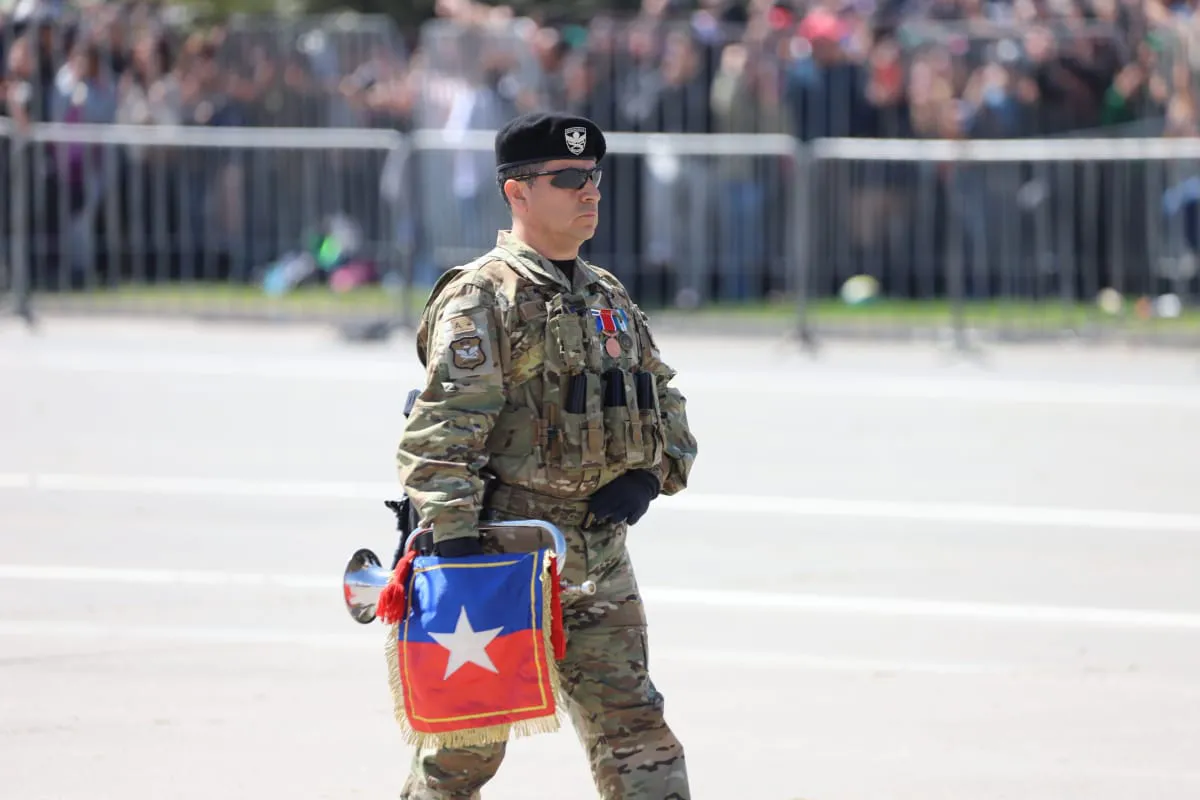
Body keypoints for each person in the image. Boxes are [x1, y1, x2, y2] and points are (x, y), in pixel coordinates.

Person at [394, 111, 698, 799]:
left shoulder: (606, 294)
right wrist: (454, 543)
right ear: (517, 193)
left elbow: (663, 398)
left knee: (637, 732)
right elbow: (441, 429)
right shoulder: (482, 297)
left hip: (598, 553)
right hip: (499, 554)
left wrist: (652, 474)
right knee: (462, 753)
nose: (589, 191)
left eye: (593, 177)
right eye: (568, 179)